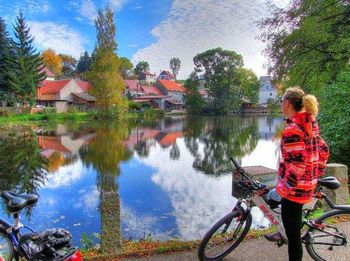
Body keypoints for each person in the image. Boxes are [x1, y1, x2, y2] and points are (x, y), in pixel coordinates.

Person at [265, 87, 330, 261]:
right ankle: (285, 231)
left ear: (286, 103)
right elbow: (324, 150)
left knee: (294, 239)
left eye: (281, 102)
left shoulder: (292, 129)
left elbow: (297, 166)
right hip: (306, 186)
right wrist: (314, 175)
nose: (280, 105)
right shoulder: (309, 124)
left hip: (294, 192)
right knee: (293, 232)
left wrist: (281, 190)